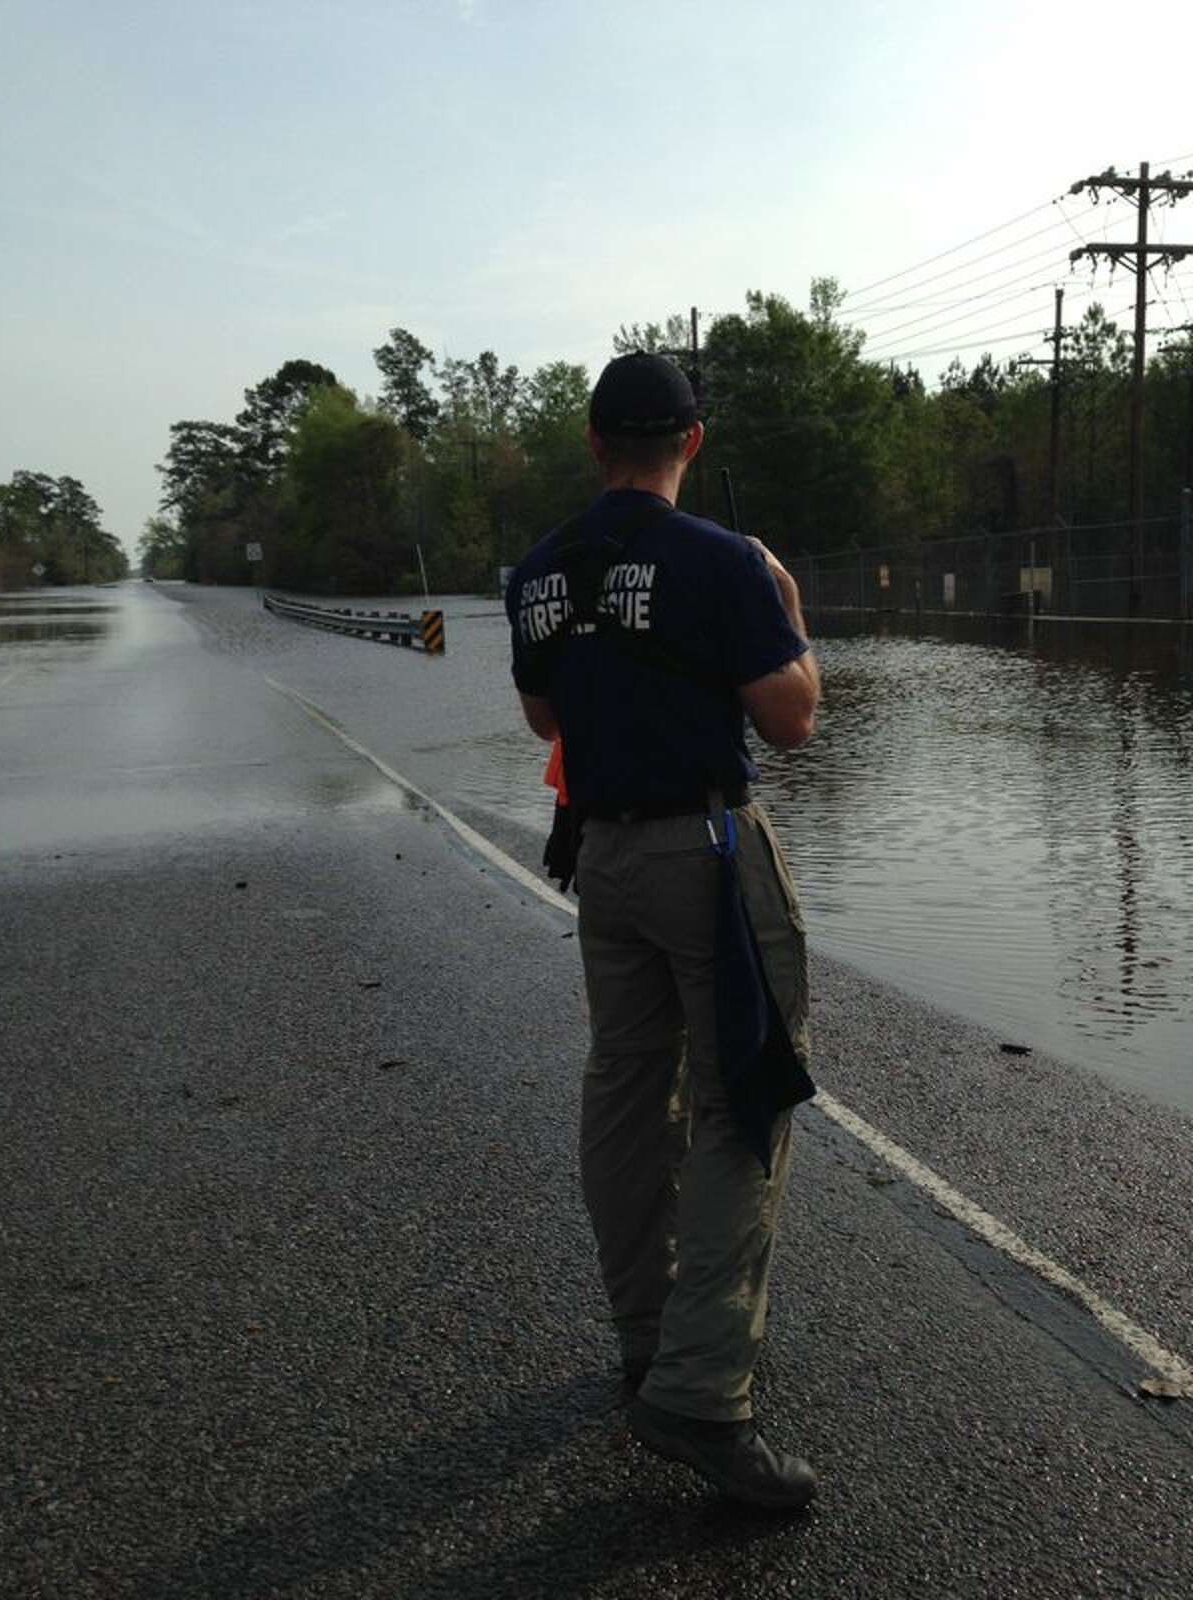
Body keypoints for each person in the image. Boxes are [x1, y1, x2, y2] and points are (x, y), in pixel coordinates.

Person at [505, 352, 821, 1510]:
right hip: (706, 852)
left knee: (628, 1093)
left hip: (603, 857)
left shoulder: (538, 570)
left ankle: (649, 1345)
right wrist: (782, 607)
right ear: (692, 441)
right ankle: (700, 1390)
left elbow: (546, 709)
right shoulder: (722, 561)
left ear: (595, 446)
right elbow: (789, 722)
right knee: (749, 1091)